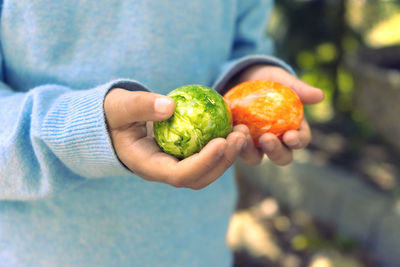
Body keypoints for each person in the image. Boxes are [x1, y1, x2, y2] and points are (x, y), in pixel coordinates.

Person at [0, 0, 323, 266]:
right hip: (44, 252)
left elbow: (244, 43)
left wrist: (245, 77)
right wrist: (87, 130)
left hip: (198, 246)